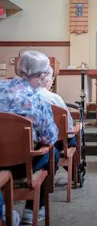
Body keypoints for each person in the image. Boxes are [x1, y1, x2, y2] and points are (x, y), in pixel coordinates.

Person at [0, 50, 59, 224]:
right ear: (42, 76)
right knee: (51, 153)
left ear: (18, 69)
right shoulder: (38, 101)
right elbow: (50, 138)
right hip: (19, 165)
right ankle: (32, 207)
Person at [37, 66, 77, 149]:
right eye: (52, 78)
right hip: (54, 142)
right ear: (47, 80)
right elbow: (68, 125)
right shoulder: (54, 98)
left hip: (26, 143)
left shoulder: (21, 97)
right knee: (73, 136)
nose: (52, 82)